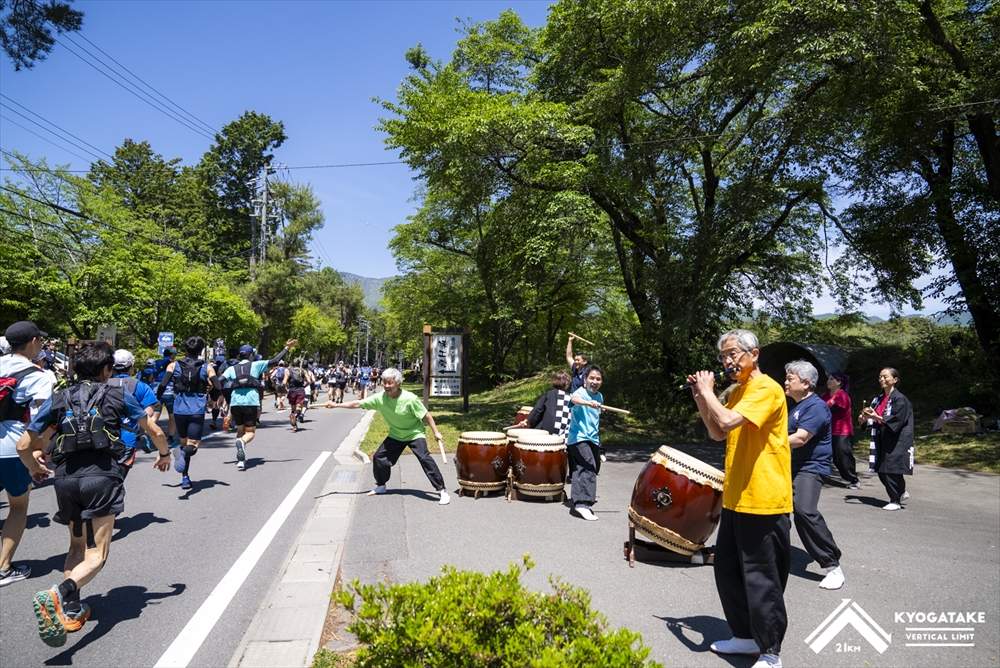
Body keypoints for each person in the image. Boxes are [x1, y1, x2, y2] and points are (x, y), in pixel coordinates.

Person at [16, 341, 171, 646]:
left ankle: (72, 609)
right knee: (97, 555)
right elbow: (154, 430)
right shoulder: (117, 394)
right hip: (101, 479)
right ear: (106, 369)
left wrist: (34, 468)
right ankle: (58, 594)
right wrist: (164, 455)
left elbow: (24, 445)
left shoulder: (59, 397)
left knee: (76, 546)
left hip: (66, 480)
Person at [686, 329, 791, 668]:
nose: (727, 361)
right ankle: (745, 637)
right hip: (736, 495)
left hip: (764, 497)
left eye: (733, 354)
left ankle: (771, 652)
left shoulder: (766, 388)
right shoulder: (739, 390)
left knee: (762, 576)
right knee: (728, 569)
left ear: (754, 354)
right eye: (723, 356)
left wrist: (708, 392)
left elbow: (729, 419)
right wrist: (701, 397)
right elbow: (718, 431)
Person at [324, 367, 449, 505]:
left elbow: (426, 415)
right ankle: (381, 485)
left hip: (414, 434)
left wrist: (436, 432)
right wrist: (336, 405)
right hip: (396, 434)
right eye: (385, 383)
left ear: (398, 384)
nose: (387, 386)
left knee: (424, 458)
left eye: (390, 383)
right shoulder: (380, 398)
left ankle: (442, 490)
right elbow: (358, 403)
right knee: (379, 457)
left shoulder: (410, 398)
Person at [0, 321, 55, 587]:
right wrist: (40, 451)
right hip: (12, 449)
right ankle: (3, 568)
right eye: (40, 340)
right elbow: (43, 419)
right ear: (33, 341)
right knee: (18, 507)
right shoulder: (38, 375)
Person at [783, 360, 845, 591]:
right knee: (777, 510)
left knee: (804, 510)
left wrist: (765, 441)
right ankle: (773, 552)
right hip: (791, 466)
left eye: (790, 378)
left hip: (810, 467)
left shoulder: (816, 407)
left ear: (806, 383)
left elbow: (800, 438)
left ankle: (832, 565)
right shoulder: (796, 407)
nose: (785, 382)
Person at [156, 336, 221, 490]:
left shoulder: (173, 365)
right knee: (193, 445)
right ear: (200, 351)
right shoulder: (207, 367)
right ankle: (183, 455)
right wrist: (213, 400)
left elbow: (163, 384)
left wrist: (157, 399)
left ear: (185, 350)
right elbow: (218, 386)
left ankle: (185, 478)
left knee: (184, 442)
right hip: (197, 409)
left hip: (179, 408)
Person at [221, 339, 296, 470]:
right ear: (251, 355)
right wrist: (286, 348)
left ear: (239, 355)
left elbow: (220, 380)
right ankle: (242, 442)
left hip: (235, 402)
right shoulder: (256, 365)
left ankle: (241, 460)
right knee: (250, 432)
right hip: (250, 402)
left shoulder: (231, 368)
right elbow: (274, 361)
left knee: (240, 431)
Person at [859, 368, 914, 510]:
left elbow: (897, 420)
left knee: (891, 469)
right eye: (880, 377)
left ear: (895, 380)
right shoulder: (878, 399)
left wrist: (876, 417)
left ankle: (895, 500)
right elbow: (874, 418)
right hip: (881, 437)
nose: (882, 379)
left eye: (885, 377)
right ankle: (900, 492)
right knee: (881, 468)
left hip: (896, 438)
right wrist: (864, 420)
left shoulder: (900, 399)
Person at [106, 350, 160, 473]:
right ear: (132, 365)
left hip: (102, 438)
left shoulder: (102, 384)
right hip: (128, 438)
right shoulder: (141, 386)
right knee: (119, 476)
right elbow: (149, 412)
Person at [565, 366, 606, 521]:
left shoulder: (600, 396)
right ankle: (582, 503)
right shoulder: (580, 393)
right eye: (592, 378)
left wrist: (600, 409)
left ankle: (578, 498)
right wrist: (587, 403)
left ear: (601, 382)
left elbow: (594, 415)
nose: (594, 381)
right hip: (578, 438)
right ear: (585, 380)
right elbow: (574, 400)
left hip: (593, 439)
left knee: (585, 468)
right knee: (588, 465)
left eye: (598, 379)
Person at [820, 372, 859, 488]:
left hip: (842, 432)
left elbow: (833, 410)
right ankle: (820, 475)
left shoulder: (842, 396)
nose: (828, 381)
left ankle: (853, 478)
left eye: (832, 379)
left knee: (841, 457)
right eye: (828, 379)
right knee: (823, 454)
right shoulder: (824, 396)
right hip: (827, 431)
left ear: (839, 382)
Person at [516, 371, 572, 439]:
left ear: (554, 381)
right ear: (567, 384)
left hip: (547, 429)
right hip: (564, 431)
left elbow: (538, 409)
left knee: (531, 431)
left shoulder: (549, 394)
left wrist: (526, 421)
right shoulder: (571, 397)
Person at [151, 346, 178, 447]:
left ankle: (145, 435)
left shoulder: (156, 363)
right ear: (172, 355)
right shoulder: (173, 364)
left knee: (155, 415)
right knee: (172, 416)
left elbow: (151, 377)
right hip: (168, 392)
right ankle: (170, 439)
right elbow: (175, 378)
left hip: (155, 391)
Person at [285, 359, 310, 432]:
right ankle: (295, 416)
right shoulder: (303, 371)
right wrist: (304, 386)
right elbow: (309, 381)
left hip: (292, 391)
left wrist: (287, 386)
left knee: (293, 409)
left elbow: (284, 382)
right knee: (299, 408)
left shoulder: (288, 371)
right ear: (299, 364)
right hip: (300, 391)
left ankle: (294, 426)